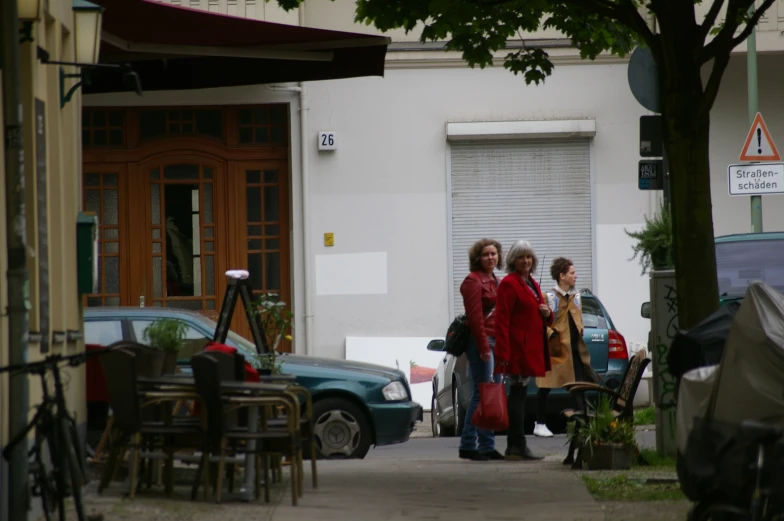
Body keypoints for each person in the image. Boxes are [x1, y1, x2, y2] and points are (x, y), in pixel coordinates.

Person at [494, 240, 552, 461]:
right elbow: (502, 322)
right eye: (521, 257)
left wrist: (548, 314)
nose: (526, 261)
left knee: (520, 395)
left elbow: (536, 313)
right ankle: (518, 444)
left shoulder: (530, 283)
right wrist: (504, 354)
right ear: (513, 261)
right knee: (517, 396)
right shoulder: (509, 284)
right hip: (517, 350)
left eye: (528, 257)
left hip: (530, 348)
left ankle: (514, 446)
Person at [533, 258, 600, 438]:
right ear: (561, 276)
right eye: (572, 273)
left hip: (574, 350)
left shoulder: (576, 296)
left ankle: (584, 423)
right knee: (545, 386)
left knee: (578, 385)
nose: (575, 276)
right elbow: (539, 324)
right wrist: (550, 335)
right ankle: (539, 423)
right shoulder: (549, 297)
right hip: (556, 350)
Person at [458, 238, 505, 461]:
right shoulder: (473, 281)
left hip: (496, 341)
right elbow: (475, 318)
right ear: (478, 257)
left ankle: (487, 445)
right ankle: (468, 444)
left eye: (494, 254)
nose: (490, 257)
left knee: (490, 395)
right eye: (486, 254)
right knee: (481, 393)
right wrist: (484, 347)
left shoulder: (495, 280)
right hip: (482, 342)